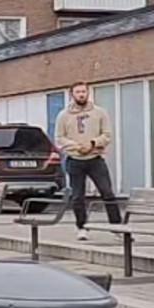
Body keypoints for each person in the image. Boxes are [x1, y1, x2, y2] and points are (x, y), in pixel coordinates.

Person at [55, 81, 124, 240]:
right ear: (72, 94)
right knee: (78, 196)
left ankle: (117, 227)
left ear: (88, 93)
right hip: (75, 159)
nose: (81, 95)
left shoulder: (100, 113)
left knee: (107, 192)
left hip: (95, 159)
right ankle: (82, 227)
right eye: (78, 92)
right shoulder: (63, 115)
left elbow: (107, 135)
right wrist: (76, 146)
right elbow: (59, 138)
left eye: (83, 92)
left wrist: (92, 143)